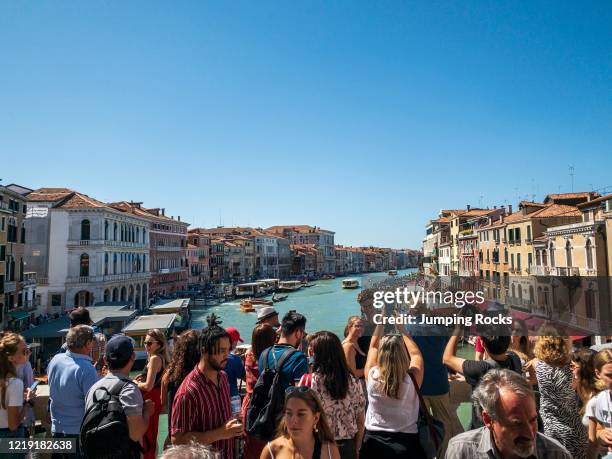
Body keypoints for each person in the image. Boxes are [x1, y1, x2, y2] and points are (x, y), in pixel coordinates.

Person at [445, 368, 571, 459]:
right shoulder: (460, 451)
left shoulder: (557, 454)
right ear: (488, 420)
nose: (529, 433)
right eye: (517, 424)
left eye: (533, 420)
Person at [171, 316, 242, 459]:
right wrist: (220, 433)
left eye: (228, 350)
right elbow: (177, 440)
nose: (227, 355)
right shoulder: (188, 392)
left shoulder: (222, 377)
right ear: (204, 351)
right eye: (221, 351)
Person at [359, 322, 426, 458]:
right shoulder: (413, 378)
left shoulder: (371, 376)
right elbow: (416, 355)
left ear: (381, 355)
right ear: (402, 354)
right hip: (406, 444)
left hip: (373, 443)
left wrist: (381, 322)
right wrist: (402, 329)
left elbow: (372, 347)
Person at [85, 335, 154, 458]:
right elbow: (136, 434)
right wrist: (147, 412)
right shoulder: (129, 389)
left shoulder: (93, 389)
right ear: (133, 357)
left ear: (105, 359)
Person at [299, 331, 365, 459]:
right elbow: (360, 422)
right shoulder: (354, 382)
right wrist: (356, 449)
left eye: (311, 351)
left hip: (317, 445)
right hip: (347, 447)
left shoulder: (307, 382)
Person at [444, 328, 522, 429]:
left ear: (482, 343)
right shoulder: (515, 358)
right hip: (508, 422)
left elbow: (447, 358)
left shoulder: (480, 368)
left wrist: (458, 328)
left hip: (484, 428)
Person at [409, 314, 463, 458]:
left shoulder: (409, 327)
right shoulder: (442, 328)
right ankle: (443, 454)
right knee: (445, 423)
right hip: (440, 384)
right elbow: (449, 354)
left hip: (418, 386)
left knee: (421, 425)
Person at [531, 334, 587, 458]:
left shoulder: (539, 366)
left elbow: (535, 363)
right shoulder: (572, 369)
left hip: (550, 428)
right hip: (574, 427)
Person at [47, 325, 98, 458]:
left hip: (57, 429)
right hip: (77, 432)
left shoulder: (55, 360)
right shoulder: (87, 369)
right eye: (92, 340)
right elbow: (92, 406)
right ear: (87, 343)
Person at [261, 387, 340, 459]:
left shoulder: (329, 450)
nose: (294, 420)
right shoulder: (272, 451)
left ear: (316, 418)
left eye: (301, 414)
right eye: (289, 413)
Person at [242, 324, 277, 459]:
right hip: (266, 408)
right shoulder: (271, 362)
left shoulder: (249, 357)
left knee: (251, 448)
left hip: (250, 405)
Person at [134, 328, 170, 459]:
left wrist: (134, 383)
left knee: (147, 438)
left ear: (159, 344)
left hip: (150, 401)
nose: (146, 346)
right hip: (155, 400)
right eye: (145, 342)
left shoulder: (155, 358)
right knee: (152, 438)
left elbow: (148, 386)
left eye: (150, 343)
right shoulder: (160, 358)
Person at [161, 330, 201, 444]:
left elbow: (163, 404)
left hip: (173, 433)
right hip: (196, 437)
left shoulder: (169, 373)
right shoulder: (200, 376)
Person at [0, 333, 36, 459]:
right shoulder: (15, 383)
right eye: (24, 351)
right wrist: (28, 403)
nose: (28, 352)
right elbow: (13, 425)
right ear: (11, 358)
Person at [258, 311, 309, 387]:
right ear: (298, 332)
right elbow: (300, 393)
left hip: (266, 399)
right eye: (303, 333)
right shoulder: (298, 358)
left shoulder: (264, 354)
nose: (302, 336)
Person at [61, 307, 107, 375]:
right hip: (97, 381)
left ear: (72, 326)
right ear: (89, 323)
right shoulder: (102, 339)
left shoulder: (67, 347)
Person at [588, 349, 612, 457]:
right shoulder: (600, 399)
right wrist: (602, 434)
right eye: (610, 375)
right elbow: (598, 430)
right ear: (598, 374)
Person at [224, 327, 246, 397]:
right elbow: (244, 377)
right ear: (234, 342)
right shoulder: (235, 360)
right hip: (231, 395)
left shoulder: (214, 356)